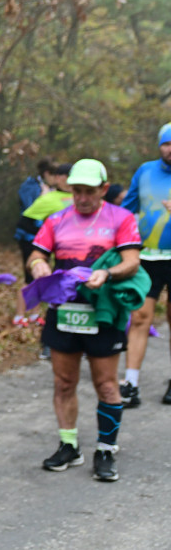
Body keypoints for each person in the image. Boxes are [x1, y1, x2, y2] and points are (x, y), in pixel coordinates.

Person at [27, 158, 142, 482]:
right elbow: (37, 253)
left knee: (106, 384)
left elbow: (132, 262)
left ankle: (106, 448)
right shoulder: (56, 219)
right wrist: (38, 266)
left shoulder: (121, 218)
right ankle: (69, 445)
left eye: (89, 192)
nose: (82, 198)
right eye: (77, 191)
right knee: (64, 382)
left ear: (104, 189)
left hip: (103, 312)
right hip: (64, 311)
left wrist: (106, 272)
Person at [119, 123, 171, 408]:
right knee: (140, 318)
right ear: (159, 145)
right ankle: (131, 384)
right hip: (147, 257)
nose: (170, 149)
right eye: (167, 143)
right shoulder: (145, 171)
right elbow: (126, 209)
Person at [12, 159, 56, 326]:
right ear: (47, 174)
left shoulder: (52, 189)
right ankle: (19, 315)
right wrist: (44, 197)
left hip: (44, 237)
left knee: (40, 276)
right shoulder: (30, 186)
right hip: (29, 237)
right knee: (30, 276)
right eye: (55, 175)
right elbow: (29, 210)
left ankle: (34, 314)